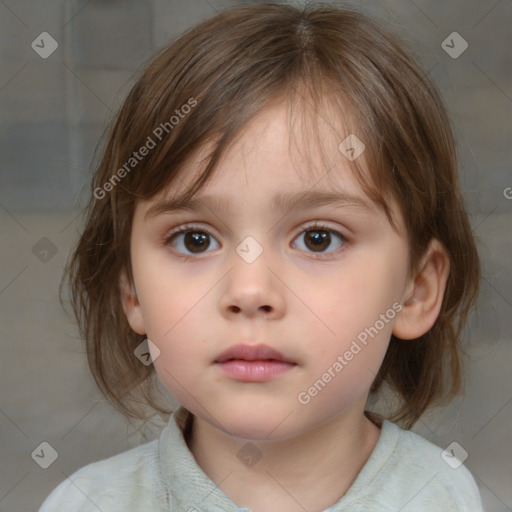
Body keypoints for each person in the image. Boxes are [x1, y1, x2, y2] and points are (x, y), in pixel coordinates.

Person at [40, 2, 483, 511]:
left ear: (417, 290)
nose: (249, 292)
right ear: (132, 290)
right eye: (195, 240)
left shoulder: (444, 494)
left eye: (319, 238)